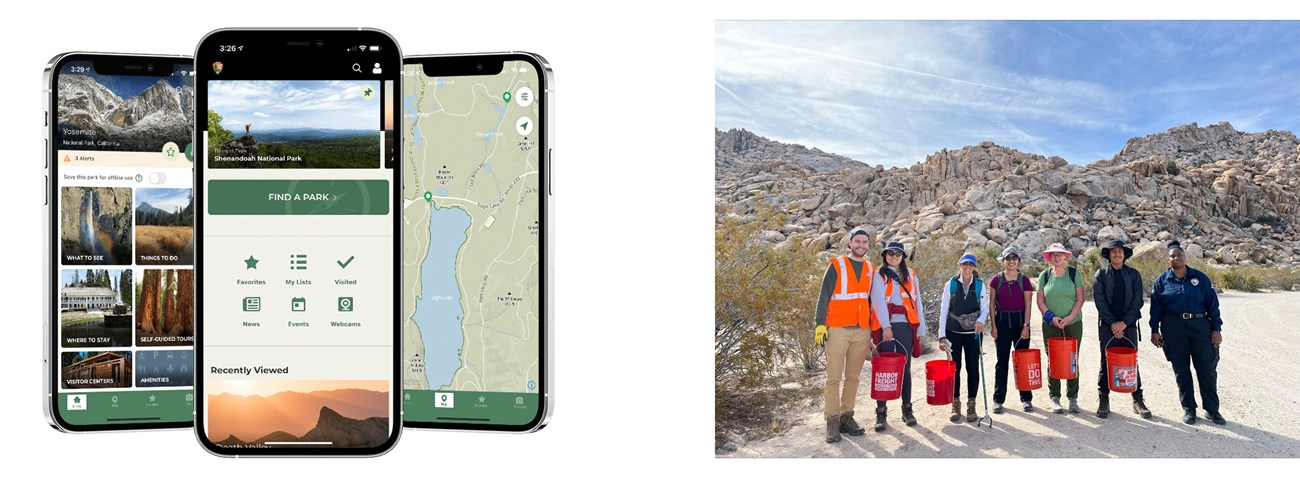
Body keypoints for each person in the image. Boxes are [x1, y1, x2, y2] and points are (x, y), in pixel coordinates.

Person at [812, 226, 878, 443]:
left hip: (862, 329)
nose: (860, 246)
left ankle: (846, 417)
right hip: (838, 328)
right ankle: (831, 421)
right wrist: (820, 324)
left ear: (868, 245)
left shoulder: (870, 268)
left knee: (853, 377)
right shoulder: (837, 265)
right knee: (833, 377)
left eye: (864, 243)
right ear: (849, 243)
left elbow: (872, 300)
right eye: (857, 242)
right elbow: (824, 296)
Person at [1150, 241, 1225, 425]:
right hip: (1173, 328)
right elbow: (1155, 308)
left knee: (1206, 370)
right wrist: (1154, 330)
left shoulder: (1200, 278)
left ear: (1185, 256)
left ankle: (1212, 410)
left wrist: (1216, 328)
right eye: (1173, 256)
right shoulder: (1162, 281)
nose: (1177, 258)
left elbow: (1213, 305)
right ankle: (1189, 409)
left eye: (1179, 254)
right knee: (1181, 370)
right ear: (1168, 259)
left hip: (1200, 327)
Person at [868, 241, 927, 431]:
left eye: (898, 254)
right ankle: (881, 412)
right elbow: (877, 302)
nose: (894, 256)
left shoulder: (911, 275)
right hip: (885, 326)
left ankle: (907, 409)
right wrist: (886, 326)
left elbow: (917, 303)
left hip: (905, 326)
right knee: (884, 369)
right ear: (885, 255)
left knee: (906, 368)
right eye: (890, 253)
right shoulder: (879, 275)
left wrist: (920, 328)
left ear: (903, 256)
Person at [1092, 240, 1152, 419]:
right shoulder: (1101, 274)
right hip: (1107, 326)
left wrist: (1124, 323)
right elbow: (1099, 301)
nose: (1117, 254)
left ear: (1124, 254)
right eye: (1113, 252)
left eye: (1120, 251)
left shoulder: (1134, 274)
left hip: (1129, 325)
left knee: (1131, 361)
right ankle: (1103, 398)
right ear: (1109, 255)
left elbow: (1137, 302)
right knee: (1106, 360)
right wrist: (1113, 324)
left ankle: (1137, 400)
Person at [1035, 243, 1085, 414]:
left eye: (1060, 254)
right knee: (1053, 359)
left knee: (1072, 359)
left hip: (1073, 324)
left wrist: (1069, 317)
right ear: (1050, 258)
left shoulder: (1074, 274)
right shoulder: (1045, 275)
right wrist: (1051, 317)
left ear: (1065, 257)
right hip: (1051, 325)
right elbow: (1040, 300)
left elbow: (1079, 299)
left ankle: (1072, 398)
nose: (1057, 257)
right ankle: (1054, 397)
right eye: (1053, 255)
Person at [938, 254, 988, 423]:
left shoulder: (980, 285)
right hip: (953, 332)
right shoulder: (950, 284)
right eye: (964, 264)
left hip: (973, 334)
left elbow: (985, 308)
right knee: (954, 368)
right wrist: (941, 335)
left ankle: (971, 404)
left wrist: (981, 321)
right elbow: (944, 310)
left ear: (974, 267)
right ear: (959, 265)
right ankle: (955, 403)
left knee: (973, 368)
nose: (967, 267)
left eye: (971, 264)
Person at [988, 246, 1035, 413]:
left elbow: (1028, 304)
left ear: (1019, 261)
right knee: (1002, 362)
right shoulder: (996, 280)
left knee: (1022, 361)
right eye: (1008, 258)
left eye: (1014, 258)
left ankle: (1026, 398)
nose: (1011, 261)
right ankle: (998, 399)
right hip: (1002, 322)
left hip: (1020, 321)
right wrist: (993, 326)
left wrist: (1026, 326)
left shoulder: (1024, 280)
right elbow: (992, 304)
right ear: (1003, 261)